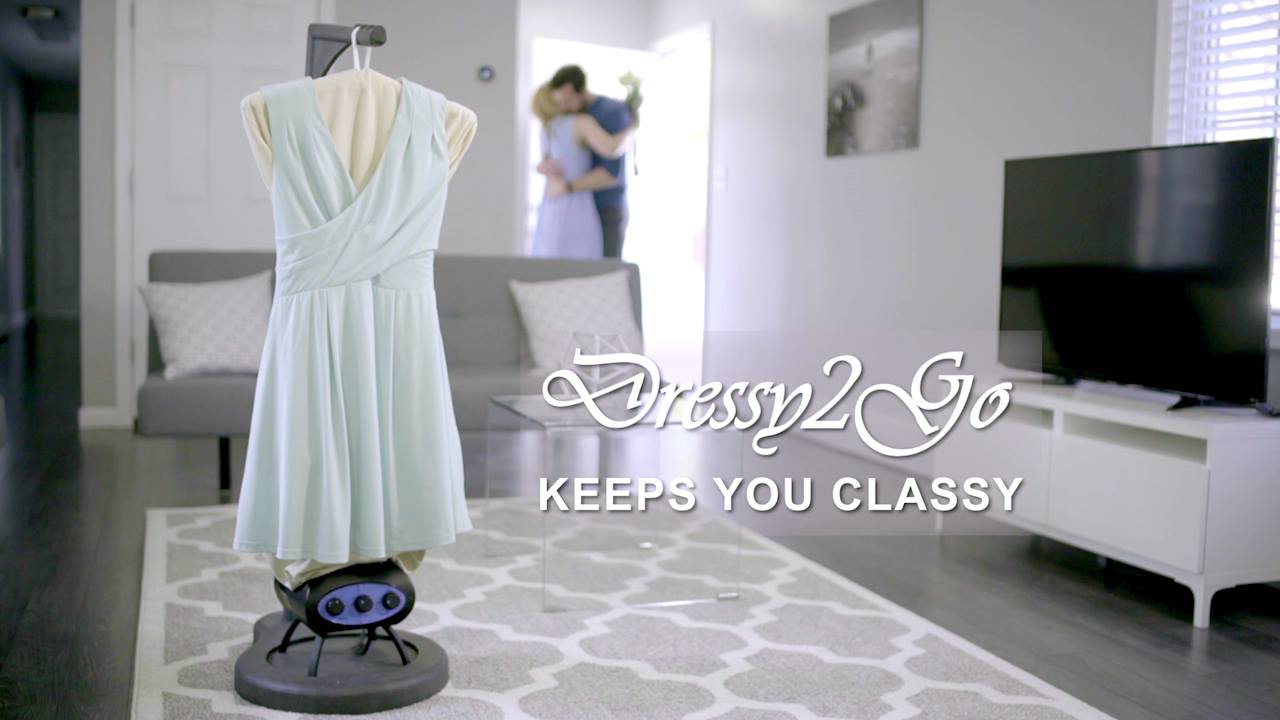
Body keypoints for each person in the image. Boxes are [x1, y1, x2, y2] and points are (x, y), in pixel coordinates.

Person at [529, 83, 635, 259]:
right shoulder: (581, 122)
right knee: (586, 261)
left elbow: (546, 164)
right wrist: (631, 129)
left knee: (553, 259)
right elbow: (611, 149)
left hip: (552, 203)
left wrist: (540, 168)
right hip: (577, 203)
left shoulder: (547, 128)